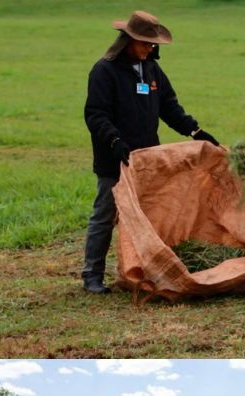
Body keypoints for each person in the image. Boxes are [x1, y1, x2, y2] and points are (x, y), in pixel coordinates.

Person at [82, 10, 218, 294]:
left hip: (148, 160)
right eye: (145, 43)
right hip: (115, 158)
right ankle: (91, 276)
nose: (150, 48)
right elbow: (96, 115)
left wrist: (195, 132)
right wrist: (115, 142)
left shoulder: (152, 71)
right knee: (105, 215)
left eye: (153, 44)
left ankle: (139, 271)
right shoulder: (104, 71)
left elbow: (169, 107)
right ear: (128, 40)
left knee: (146, 217)